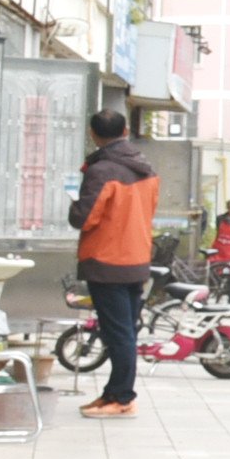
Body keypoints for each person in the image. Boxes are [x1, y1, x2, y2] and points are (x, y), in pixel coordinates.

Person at [67, 109, 158, 418]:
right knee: (125, 331)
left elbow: (85, 217)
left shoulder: (103, 171)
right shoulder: (146, 168)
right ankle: (113, 393)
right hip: (136, 258)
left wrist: (74, 206)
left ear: (94, 134)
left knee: (118, 333)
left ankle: (122, 397)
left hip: (107, 260)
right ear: (125, 131)